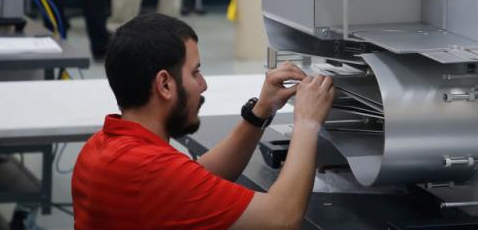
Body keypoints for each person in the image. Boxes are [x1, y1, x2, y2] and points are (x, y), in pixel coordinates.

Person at [72, 13, 335, 229]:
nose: (203, 85)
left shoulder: (102, 147)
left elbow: (197, 178)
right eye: (195, 72)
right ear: (164, 84)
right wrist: (307, 122)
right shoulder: (148, 171)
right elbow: (282, 218)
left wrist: (261, 112)